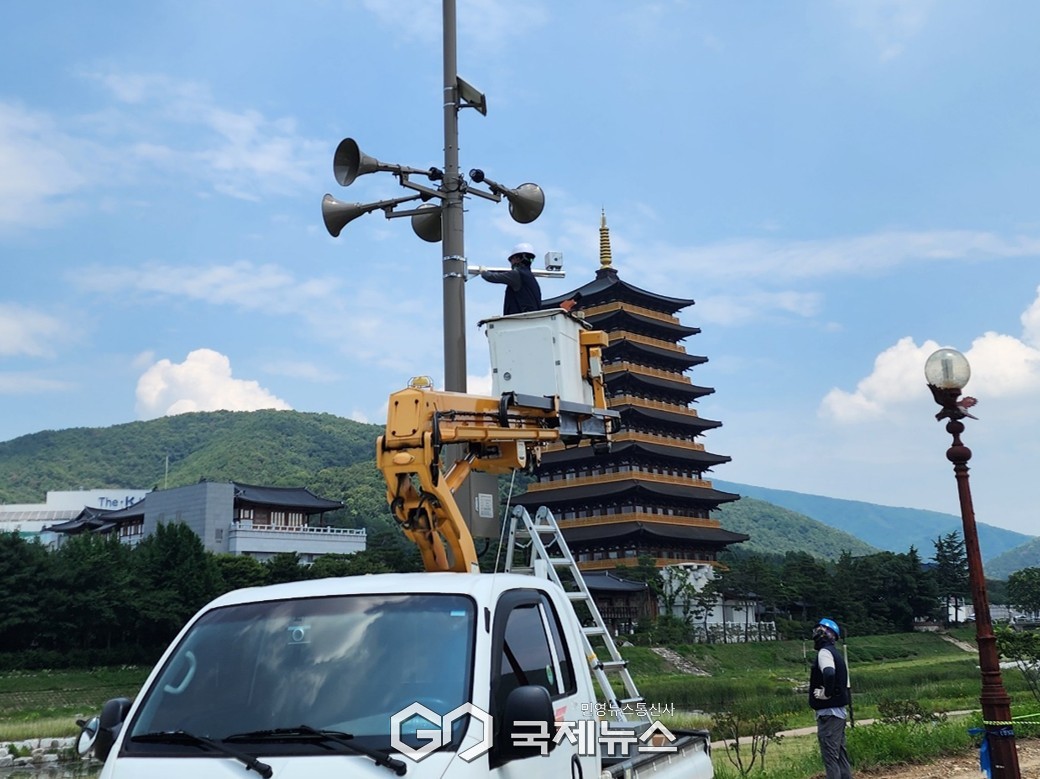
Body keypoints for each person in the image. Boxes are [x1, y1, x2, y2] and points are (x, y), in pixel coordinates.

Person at [809, 617, 853, 779]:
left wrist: (825, 693)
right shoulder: (836, 654)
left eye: (821, 630)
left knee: (830, 757)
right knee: (840, 755)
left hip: (829, 714)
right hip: (838, 712)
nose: (817, 633)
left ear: (830, 635)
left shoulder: (825, 652)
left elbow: (829, 672)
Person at [480, 242, 541, 315]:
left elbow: (491, 277)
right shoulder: (530, 278)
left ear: (518, 258)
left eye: (511, 260)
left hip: (520, 320)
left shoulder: (517, 274)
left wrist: (483, 272)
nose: (511, 262)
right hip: (532, 319)